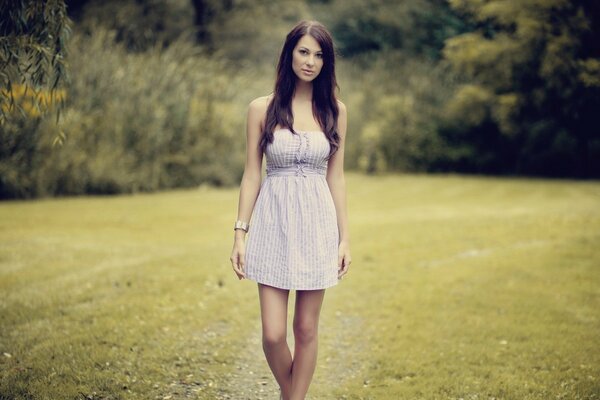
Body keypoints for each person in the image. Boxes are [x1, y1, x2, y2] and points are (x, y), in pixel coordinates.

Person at [230, 20, 351, 400]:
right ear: (289, 53)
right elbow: (252, 174)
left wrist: (344, 238)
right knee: (272, 334)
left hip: (318, 224)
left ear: (326, 63)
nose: (310, 62)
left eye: (319, 55)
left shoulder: (335, 111)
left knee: (306, 329)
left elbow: (337, 178)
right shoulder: (261, 109)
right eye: (303, 52)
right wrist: (240, 233)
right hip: (273, 223)